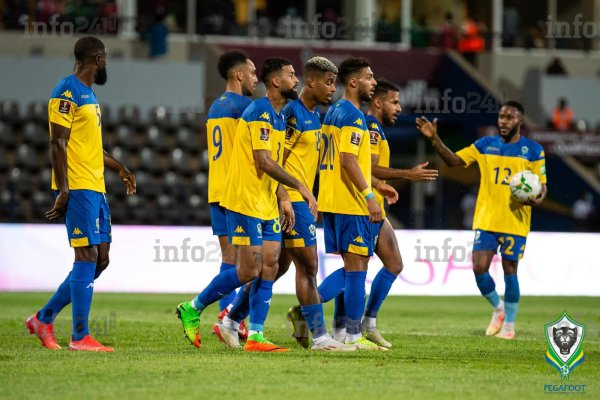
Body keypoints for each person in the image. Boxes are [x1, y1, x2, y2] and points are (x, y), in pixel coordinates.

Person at [176, 57, 317, 352]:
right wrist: (299, 186)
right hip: (244, 200)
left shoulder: (279, 117)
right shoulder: (258, 112)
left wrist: (281, 197)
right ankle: (193, 307)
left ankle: (255, 335)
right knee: (248, 270)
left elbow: (274, 162)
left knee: (270, 266)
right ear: (276, 81)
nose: (297, 80)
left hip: (266, 201)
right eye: (292, 75)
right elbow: (263, 161)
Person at [216, 57, 354, 351]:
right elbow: (276, 159)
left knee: (275, 268)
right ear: (312, 82)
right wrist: (285, 197)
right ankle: (320, 337)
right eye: (329, 83)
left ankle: (232, 319)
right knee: (309, 265)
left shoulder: (313, 115)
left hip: (297, 199)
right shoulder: (291, 114)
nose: (333, 89)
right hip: (291, 201)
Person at [26, 36, 136, 352]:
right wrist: (63, 189)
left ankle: (43, 318)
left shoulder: (89, 94)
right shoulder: (67, 90)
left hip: (96, 186)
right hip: (77, 186)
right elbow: (57, 142)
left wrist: (120, 168)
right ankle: (80, 336)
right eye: (106, 58)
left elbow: (91, 147)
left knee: (101, 259)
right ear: (98, 59)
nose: (107, 64)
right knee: (86, 256)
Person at [315, 79, 438, 348]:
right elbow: (366, 167)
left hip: (368, 204)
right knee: (356, 268)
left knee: (385, 263)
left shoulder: (368, 125)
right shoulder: (369, 127)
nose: (399, 108)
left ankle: (356, 324)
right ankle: (316, 310)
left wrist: (381, 187)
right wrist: (407, 174)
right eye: (394, 102)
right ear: (379, 103)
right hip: (359, 204)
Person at [416, 101, 548, 340]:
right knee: (479, 268)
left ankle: (509, 326)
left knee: (510, 270)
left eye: (509, 117)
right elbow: (453, 160)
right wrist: (435, 139)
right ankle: (498, 308)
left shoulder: (533, 150)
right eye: (501, 117)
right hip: (486, 219)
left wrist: (536, 199)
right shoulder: (485, 145)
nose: (503, 121)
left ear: (521, 120)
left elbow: (541, 187)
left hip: (515, 221)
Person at [317, 57, 398, 350]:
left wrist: (377, 185)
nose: (373, 82)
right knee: (356, 269)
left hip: (333, 199)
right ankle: (350, 333)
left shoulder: (334, 111)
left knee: (354, 267)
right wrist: (369, 195)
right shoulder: (352, 116)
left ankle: (342, 330)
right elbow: (348, 160)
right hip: (350, 201)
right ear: (353, 82)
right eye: (369, 77)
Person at [205, 50, 258, 341]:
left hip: (216, 189)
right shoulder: (244, 107)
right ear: (239, 75)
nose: (255, 78)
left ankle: (227, 315)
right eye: (252, 72)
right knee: (249, 263)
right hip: (237, 192)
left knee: (229, 258)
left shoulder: (215, 106)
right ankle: (230, 315)